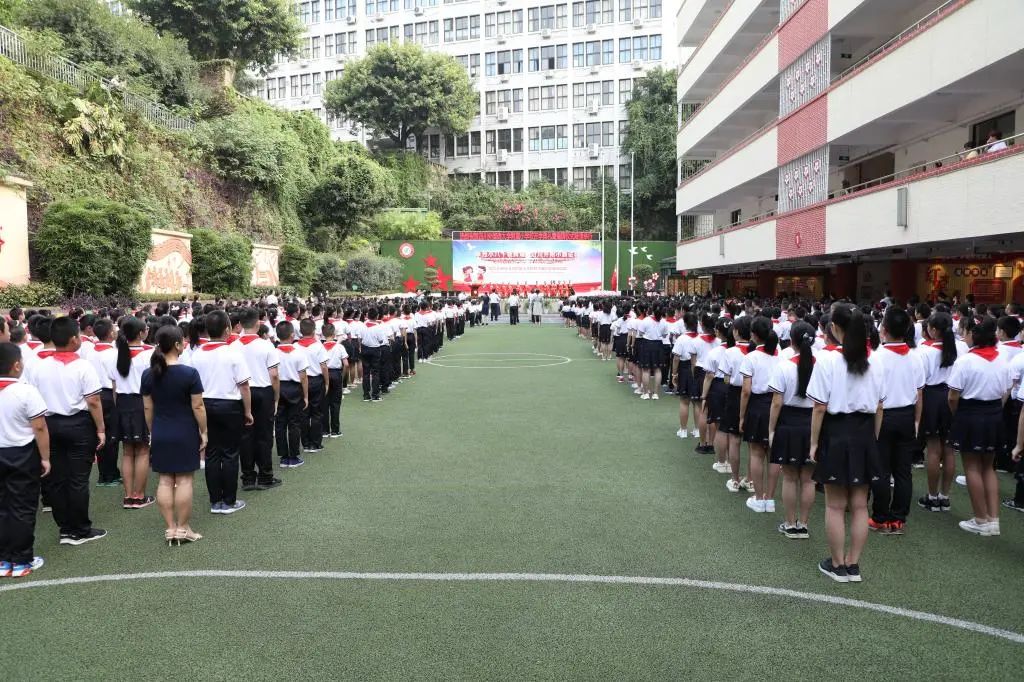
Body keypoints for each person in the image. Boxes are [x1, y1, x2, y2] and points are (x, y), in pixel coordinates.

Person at [807, 304, 884, 583]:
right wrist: (873, 440)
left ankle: (838, 564)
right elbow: (880, 407)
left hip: (836, 432)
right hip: (865, 434)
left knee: (835, 505)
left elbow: (819, 407)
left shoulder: (827, 360)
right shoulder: (876, 360)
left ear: (835, 328)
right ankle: (853, 564)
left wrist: (813, 443)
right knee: (860, 505)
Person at [28, 317, 107, 546]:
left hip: (50, 425)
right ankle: (80, 529)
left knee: (57, 479)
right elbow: (93, 401)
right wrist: (101, 429)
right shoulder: (83, 366)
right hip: (78, 425)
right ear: (74, 339)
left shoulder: (39, 366)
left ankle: (65, 528)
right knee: (78, 479)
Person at [141, 326, 207, 545]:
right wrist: (204, 431)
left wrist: (153, 430)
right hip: (185, 430)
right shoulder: (189, 373)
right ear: (178, 345)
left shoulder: (148, 374)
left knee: (165, 480)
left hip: (161, 430)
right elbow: (198, 406)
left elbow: (148, 408)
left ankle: (170, 528)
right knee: (184, 480)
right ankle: (183, 528)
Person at [947, 316, 1010, 536]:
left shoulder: (966, 361)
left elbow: (953, 396)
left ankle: (981, 519)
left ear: (974, 337)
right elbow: (1006, 389)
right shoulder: (1002, 359)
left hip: (970, 413)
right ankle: (993, 520)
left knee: (972, 467)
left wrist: (958, 414)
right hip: (994, 412)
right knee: (988, 467)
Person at [189, 310, 253, 515]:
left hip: (204, 405)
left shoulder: (196, 354)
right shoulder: (233, 353)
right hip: (229, 406)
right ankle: (229, 501)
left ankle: (215, 501)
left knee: (212, 453)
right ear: (227, 329)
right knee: (230, 454)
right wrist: (248, 410)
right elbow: (244, 386)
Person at [868, 307, 925, 535]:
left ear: (884, 329)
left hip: (883, 415)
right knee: (903, 471)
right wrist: (917, 421)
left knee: (881, 468)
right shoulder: (915, 357)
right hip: (907, 415)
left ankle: (880, 517)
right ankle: (898, 518)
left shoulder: (876, 357)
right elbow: (920, 394)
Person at [0, 342, 51, 577]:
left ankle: (4, 560)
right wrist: (45, 458)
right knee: (22, 507)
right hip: (21, 454)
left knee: (2, 506)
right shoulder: (25, 391)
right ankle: (21, 561)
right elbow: (39, 427)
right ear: (16, 365)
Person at [768, 321, 817, 538]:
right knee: (808, 479)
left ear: (792, 340)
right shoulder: (823, 366)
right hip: (813, 422)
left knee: (789, 477)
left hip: (788, 422)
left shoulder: (784, 366)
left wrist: (771, 430)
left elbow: (776, 402)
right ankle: (803, 525)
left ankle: (790, 523)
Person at [916, 312, 964, 512]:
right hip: (952, 396)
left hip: (932, 397)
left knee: (933, 449)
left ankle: (932, 496)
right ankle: (944, 497)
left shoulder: (925, 351)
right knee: (949, 449)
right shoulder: (959, 349)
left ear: (933, 330)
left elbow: (919, 383)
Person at [233, 308, 282, 491]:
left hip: (240, 393)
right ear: (258, 323)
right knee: (264, 435)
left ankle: (247, 477)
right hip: (263, 391)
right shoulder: (266, 345)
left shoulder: (233, 346)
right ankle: (265, 476)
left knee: (245, 435)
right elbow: (274, 375)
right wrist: (276, 397)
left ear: (240, 324)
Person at [110, 316, 155, 510]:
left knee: (127, 451)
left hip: (122, 403)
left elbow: (114, 387)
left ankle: (128, 496)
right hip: (142, 402)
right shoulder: (149, 354)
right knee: (143, 450)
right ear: (141, 333)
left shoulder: (116, 354)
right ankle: (139, 496)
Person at [739, 317, 781, 512]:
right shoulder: (781, 356)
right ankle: (769, 499)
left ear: (754, 335)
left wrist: (741, 416)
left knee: (756, 453)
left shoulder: (751, 357)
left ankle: (758, 497)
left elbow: (746, 391)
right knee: (773, 455)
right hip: (777, 405)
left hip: (757, 406)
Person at [89, 319, 121, 487]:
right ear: (110, 333)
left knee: (100, 435)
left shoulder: (90, 352)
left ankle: (104, 474)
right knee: (111, 436)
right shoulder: (114, 353)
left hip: (93, 395)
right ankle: (110, 475)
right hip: (109, 394)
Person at [274, 321, 309, 468]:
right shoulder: (299, 353)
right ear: (292, 335)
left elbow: (272, 374)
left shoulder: (273, 352)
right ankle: (293, 456)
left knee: (280, 423)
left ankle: (284, 457)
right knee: (294, 423)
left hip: (278, 387)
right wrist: (306, 396)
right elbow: (303, 377)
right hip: (294, 388)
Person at [296, 319, 328, 454]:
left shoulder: (295, 346)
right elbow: (324, 366)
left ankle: (306, 443)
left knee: (303, 412)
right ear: (314, 331)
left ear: (300, 331)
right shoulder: (319, 346)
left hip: (300, 381)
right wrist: (327, 382)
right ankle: (315, 443)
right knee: (317, 413)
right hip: (316, 380)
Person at [321, 322, 348, 439]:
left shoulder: (320, 347)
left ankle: (325, 430)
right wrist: (342, 375)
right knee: (335, 403)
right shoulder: (339, 347)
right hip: (336, 374)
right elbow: (346, 364)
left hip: (323, 374)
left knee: (324, 403)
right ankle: (335, 430)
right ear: (334, 334)